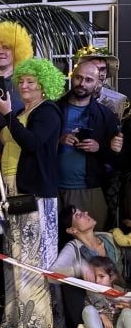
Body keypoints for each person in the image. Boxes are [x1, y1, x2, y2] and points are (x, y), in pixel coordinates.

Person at [0, 57, 66, 328]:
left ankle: (37, 321)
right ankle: (17, 318)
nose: (24, 85)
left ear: (44, 86)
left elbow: (32, 143)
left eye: (31, 82)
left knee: (33, 258)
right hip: (13, 188)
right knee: (15, 254)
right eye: (21, 81)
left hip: (34, 192)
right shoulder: (23, 111)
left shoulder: (48, 111)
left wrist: (8, 115)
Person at [49, 206, 122, 328]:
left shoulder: (108, 239)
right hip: (91, 306)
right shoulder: (73, 247)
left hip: (115, 301)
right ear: (72, 230)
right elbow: (51, 276)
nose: (86, 213)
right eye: (78, 215)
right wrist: (79, 268)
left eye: (83, 212)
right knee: (72, 283)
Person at [57, 60, 122, 230]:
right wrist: (59, 140)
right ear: (72, 77)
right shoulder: (54, 109)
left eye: (88, 80)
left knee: (92, 244)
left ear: (97, 83)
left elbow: (116, 159)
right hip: (54, 187)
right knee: (54, 247)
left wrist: (99, 148)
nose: (82, 83)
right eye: (78, 78)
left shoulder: (106, 115)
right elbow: (37, 144)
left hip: (90, 189)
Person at [81, 255, 131, 328]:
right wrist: (101, 315)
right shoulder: (92, 291)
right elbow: (89, 312)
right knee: (88, 309)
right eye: (95, 276)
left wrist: (128, 306)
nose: (97, 281)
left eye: (101, 276)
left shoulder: (122, 292)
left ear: (111, 277)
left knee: (127, 312)